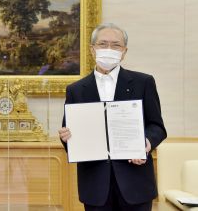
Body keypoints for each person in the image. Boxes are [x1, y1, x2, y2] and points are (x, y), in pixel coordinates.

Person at [58, 23, 167, 211]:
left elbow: (157, 127)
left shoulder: (144, 82)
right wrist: (66, 137)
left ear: (124, 51)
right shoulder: (76, 90)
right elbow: (70, 135)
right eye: (103, 44)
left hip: (135, 182)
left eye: (116, 45)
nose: (109, 49)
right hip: (95, 186)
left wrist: (145, 144)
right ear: (92, 49)